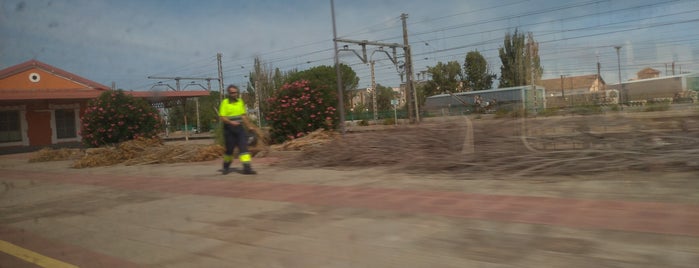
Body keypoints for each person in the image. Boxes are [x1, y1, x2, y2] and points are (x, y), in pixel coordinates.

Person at [219, 84, 257, 175]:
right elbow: (222, 117)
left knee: (244, 148)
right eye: (232, 93)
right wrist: (231, 123)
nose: (234, 94)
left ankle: (247, 168)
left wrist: (249, 126)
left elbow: (243, 116)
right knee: (229, 150)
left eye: (235, 92)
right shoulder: (225, 102)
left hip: (240, 129)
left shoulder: (240, 102)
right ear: (229, 93)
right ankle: (226, 167)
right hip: (229, 129)